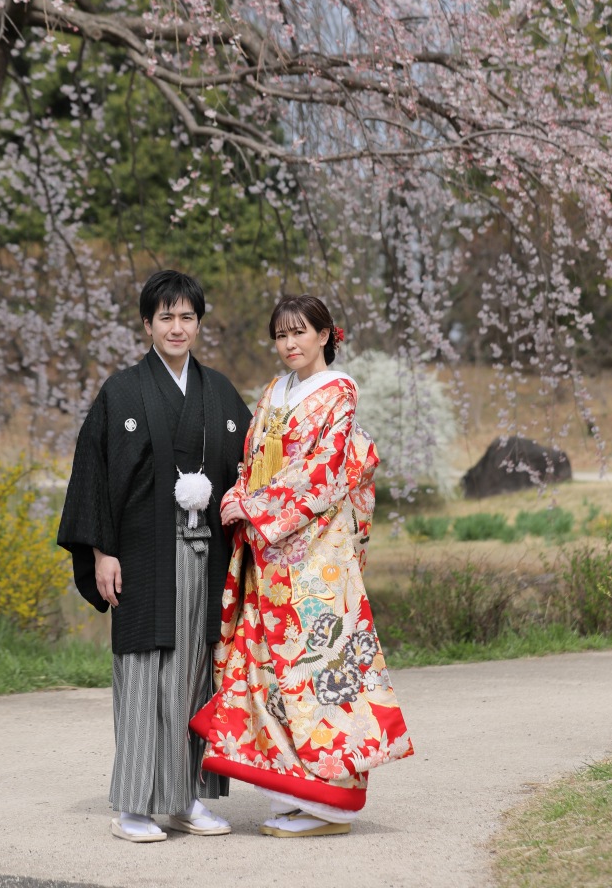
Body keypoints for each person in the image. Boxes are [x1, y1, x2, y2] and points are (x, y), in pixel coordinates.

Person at [190, 294, 413, 837]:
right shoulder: (275, 391)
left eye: (300, 333)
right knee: (270, 667)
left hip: (316, 555)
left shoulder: (338, 394)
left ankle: (334, 800)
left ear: (325, 335)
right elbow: (253, 457)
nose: (290, 344)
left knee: (321, 668)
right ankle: (298, 789)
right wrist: (240, 492)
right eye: (281, 335)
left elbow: (324, 470)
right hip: (273, 553)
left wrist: (255, 505)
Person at [57, 270, 251, 843]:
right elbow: (93, 472)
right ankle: (134, 805)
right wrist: (101, 552)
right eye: (165, 316)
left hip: (206, 554)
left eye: (187, 316)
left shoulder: (220, 393)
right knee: (143, 673)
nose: (176, 326)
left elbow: (248, 470)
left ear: (198, 324)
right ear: (147, 325)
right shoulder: (122, 391)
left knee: (197, 675)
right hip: (142, 554)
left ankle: (187, 799)